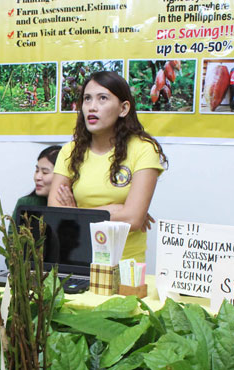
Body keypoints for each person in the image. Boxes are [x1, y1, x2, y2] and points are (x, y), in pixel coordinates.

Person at [48, 71, 168, 262]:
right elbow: (56, 215)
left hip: (125, 265)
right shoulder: (69, 151)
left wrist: (77, 214)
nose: (92, 107)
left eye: (102, 98)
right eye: (87, 99)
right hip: (78, 259)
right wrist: (115, 210)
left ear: (123, 108)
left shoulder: (144, 149)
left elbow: (133, 219)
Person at [11, 144, 62, 222]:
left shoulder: (76, 204)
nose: (37, 177)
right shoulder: (25, 204)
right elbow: (12, 233)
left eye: (45, 172)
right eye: (37, 171)